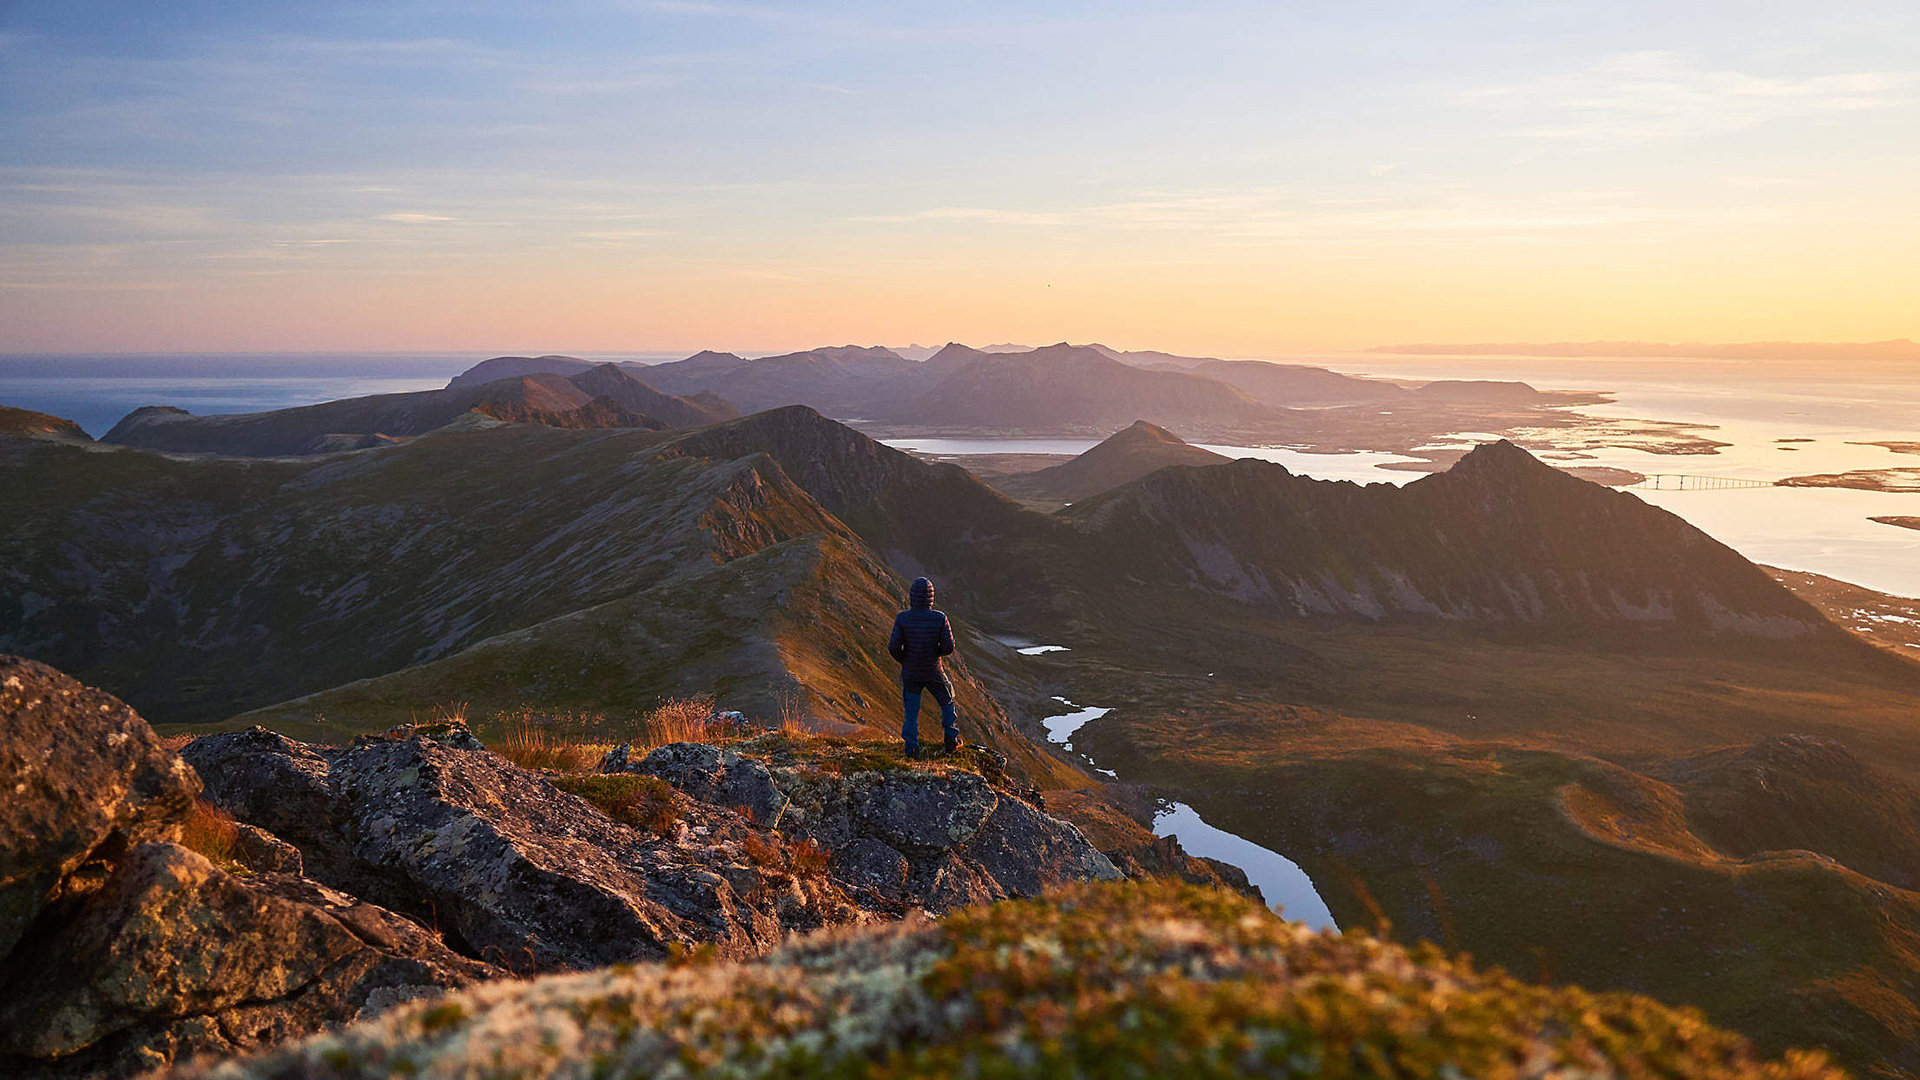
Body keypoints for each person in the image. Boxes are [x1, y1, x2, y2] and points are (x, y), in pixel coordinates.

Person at [888, 576, 962, 758]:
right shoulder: (939, 618)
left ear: (912, 596)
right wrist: (935, 652)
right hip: (933, 670)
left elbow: (894, 647)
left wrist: (905, 659)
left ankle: (912, 748)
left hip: (911, 672)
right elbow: (949, 647)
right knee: (947, 702)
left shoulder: (903, 618)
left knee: (911, 712)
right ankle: (951, 741)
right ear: (931, 596)